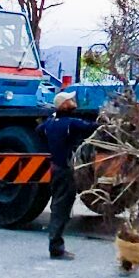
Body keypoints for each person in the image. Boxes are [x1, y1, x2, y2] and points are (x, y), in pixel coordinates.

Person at [36, 91, 97, 260]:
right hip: (66, 170)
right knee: (61, 208)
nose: (74, 101)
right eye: (70, 100)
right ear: (63, 105)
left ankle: (55, 245)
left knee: (58, 205)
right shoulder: (71, 123)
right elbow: (92, 128)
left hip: (56, 168)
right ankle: (56, 248)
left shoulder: (49, 124)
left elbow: (38, 130)